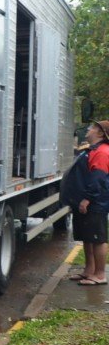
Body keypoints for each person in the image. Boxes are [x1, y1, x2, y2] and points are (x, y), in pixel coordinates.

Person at [61, 120, 109, 286]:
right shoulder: (91, 150)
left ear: (101, 133)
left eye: (93, 127)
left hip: (95, 203)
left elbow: (98, 179)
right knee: (88, 238)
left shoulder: (102, 152)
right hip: (86, 202)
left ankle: (100, 275)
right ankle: (89, 271)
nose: (88, 129)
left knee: (97, 239)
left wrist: (87, 199)